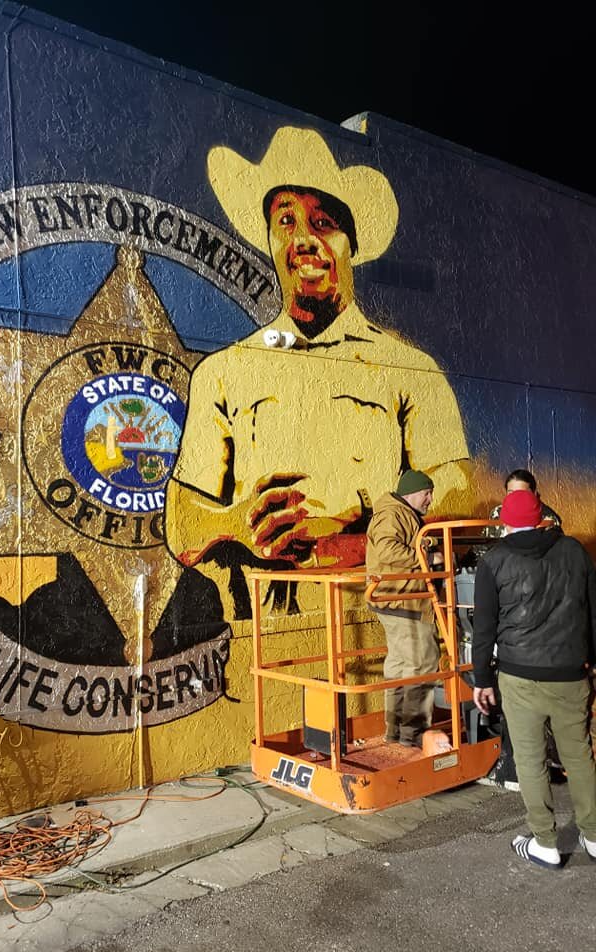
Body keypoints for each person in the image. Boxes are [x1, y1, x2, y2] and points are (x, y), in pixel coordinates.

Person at [166, 127, 471, 618]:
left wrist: (362, 518)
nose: (304, 238)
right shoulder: (225, 371)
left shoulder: (409, 370)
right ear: (269, 239)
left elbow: (459, 493)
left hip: (380, 615)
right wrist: (240, 525)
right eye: (286, 220)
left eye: (324, 222)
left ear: (350, 244)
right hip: (263, 634)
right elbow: (181, 520)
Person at [472, 489, 596, 870]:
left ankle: (545, 842)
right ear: (541, 515)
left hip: (519, 676)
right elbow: (592, 611)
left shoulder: (493, 561)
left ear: (504, 522)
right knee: (580, 757)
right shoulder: (574, 551)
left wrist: (482, 679)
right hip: (571, 673)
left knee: (530, 760)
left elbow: (485, 629)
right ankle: (593, 836)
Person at [365, 469, 443, 747]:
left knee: (400, 666)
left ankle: (396, 731)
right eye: (427, 493)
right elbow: (388, 550)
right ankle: (414, 733)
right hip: (405, 600)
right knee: (422, 664)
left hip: (394, 600)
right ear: (412, 493)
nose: (430, 499)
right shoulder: (393, 514)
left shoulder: (397, 513)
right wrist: (429, 557)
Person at [489, 468, 561, 527]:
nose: (515, 498)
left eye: (521, 493)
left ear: (533, 493)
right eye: (511, 493)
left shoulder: (548, 518)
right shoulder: (497, 513)